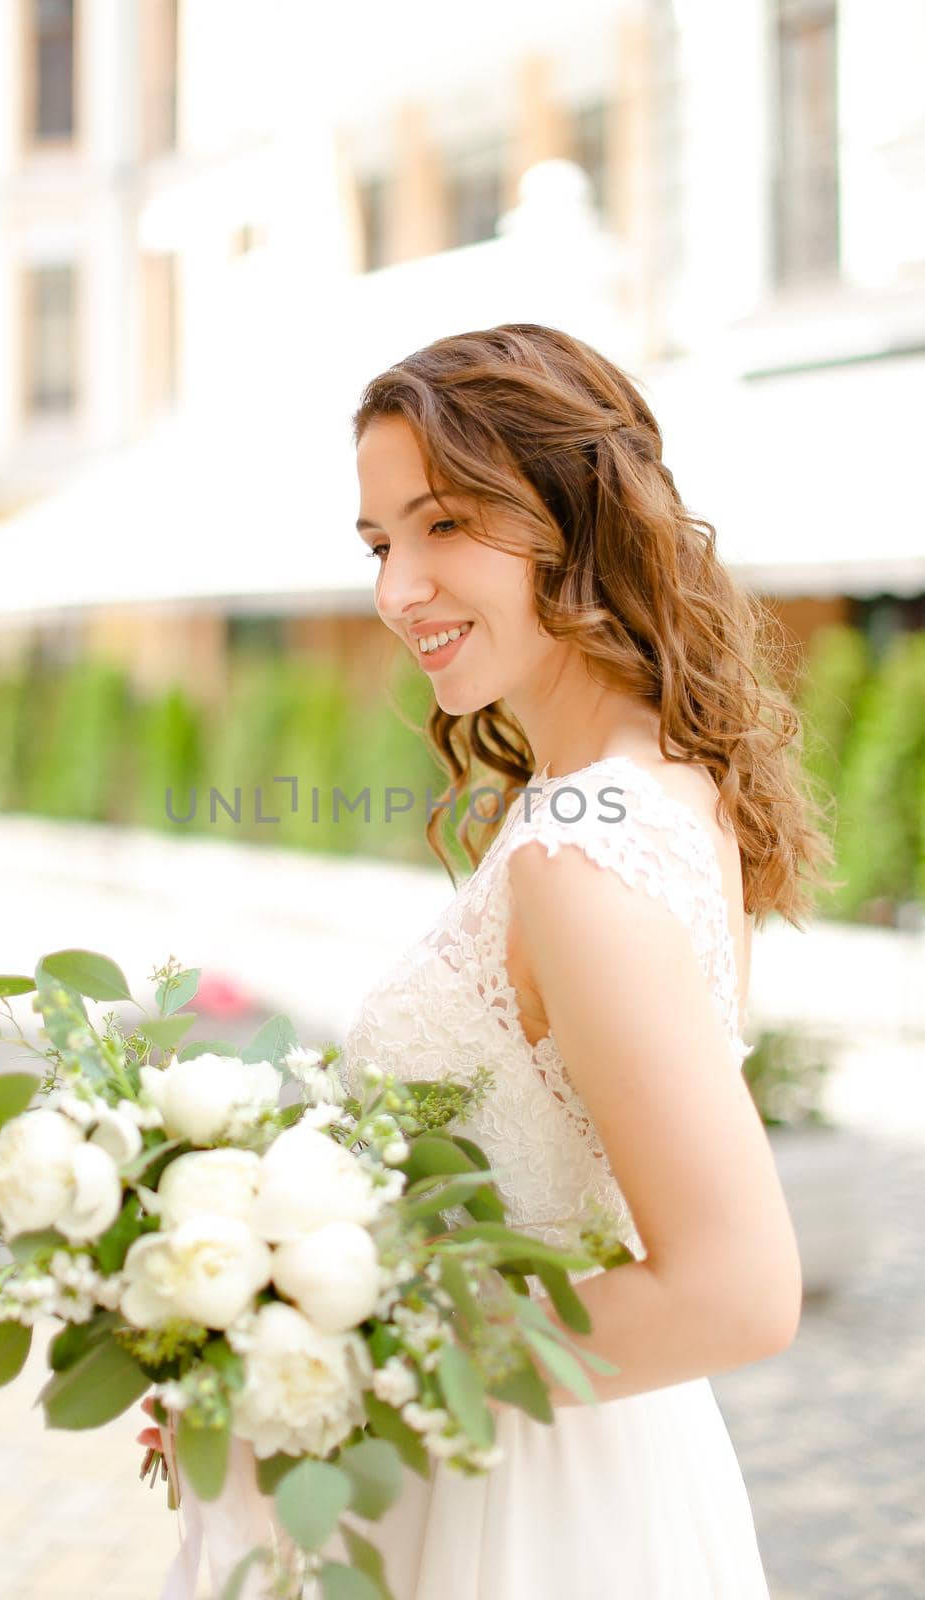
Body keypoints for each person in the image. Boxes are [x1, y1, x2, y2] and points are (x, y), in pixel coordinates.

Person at [333, 322, 836, 1599]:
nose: (399, 590)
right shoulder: (650, 792)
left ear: (576, 515)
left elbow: (734, 1289)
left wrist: (328, 1366)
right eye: (381, 542)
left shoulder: (580, 846)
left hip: (528, 1504)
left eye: (445, 525)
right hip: (599, 1460)